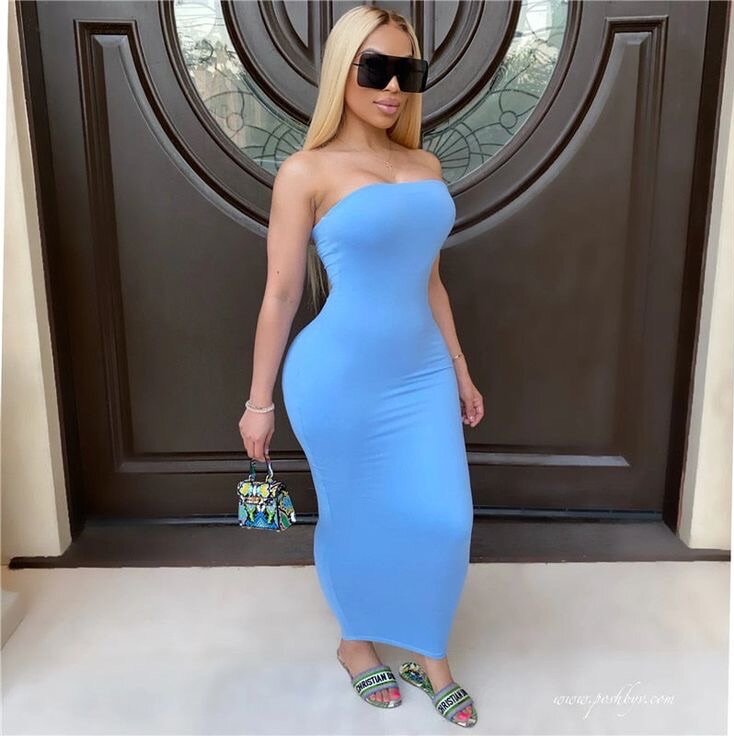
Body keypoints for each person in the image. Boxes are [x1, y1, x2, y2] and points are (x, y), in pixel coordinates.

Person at [238, 5, 484, 728]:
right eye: (375, 69)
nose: (393, 87)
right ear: (341, 73)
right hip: (337, 378)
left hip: (422, 372)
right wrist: (258, 403)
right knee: (354, 515)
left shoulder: (424, 165)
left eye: (407, 71)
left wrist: (460, 368)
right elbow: (281, 294)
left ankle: (431, 653)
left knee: (445, 518)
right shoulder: (305, 172)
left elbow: (430, 282)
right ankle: (355, 643)